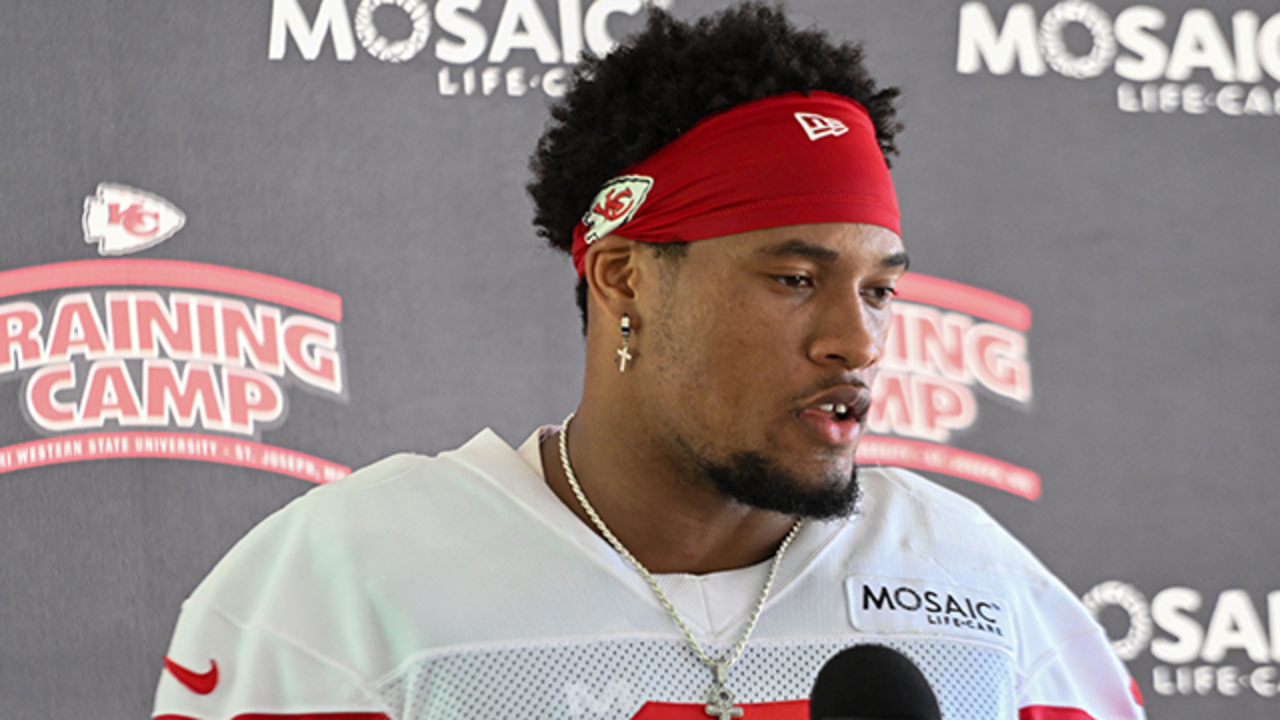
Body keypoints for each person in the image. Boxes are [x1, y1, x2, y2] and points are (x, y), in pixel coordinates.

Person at [153, 4, 1145, 719]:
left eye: (877, 288)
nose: (857, 339)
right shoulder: (343, 579)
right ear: (623, 277)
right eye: (793, 279)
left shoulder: (975, 583)